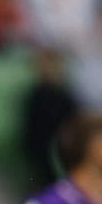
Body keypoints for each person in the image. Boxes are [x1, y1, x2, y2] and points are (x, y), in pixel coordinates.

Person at [18, 48, 80, 191]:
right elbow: (28, 131)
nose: (48, 70)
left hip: (63, 149)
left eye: (52, 65)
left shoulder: (67, 96)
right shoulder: (33, 96)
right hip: (40, 152)